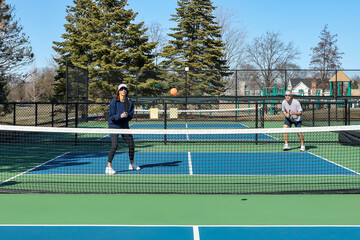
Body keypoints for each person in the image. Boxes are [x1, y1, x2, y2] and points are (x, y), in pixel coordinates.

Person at [105, 83, 140, 175]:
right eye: (122, 89)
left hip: (124, 126)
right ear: (119, 91)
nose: (123, 90)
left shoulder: (129, 102)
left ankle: (132, 164)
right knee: (115, 145)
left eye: (125, 89)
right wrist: (119, 116)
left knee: (131, 144)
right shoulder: (114, 102)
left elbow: (131, 115)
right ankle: (108, 167)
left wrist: (127, 116)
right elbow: (111, 116)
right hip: (114, 126)